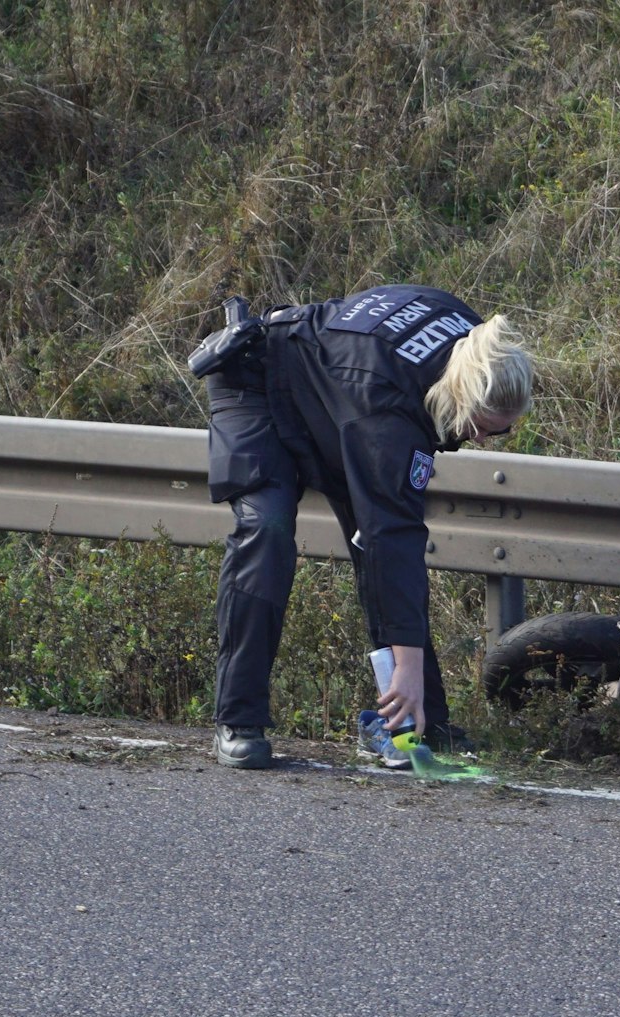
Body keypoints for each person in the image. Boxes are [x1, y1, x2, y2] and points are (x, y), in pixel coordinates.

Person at [194, 284, 533, 769]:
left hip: (334, 402)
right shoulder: (387, 414)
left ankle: (419, 724)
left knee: (379, 551)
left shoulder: (479, 344)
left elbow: (389, 547)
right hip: (258, 385)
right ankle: (238, 718)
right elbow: (392, 539)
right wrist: (407, 669)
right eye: (481, 426)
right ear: (460, 390)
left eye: (500, 430)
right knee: (266, 533)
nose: (485, 439)